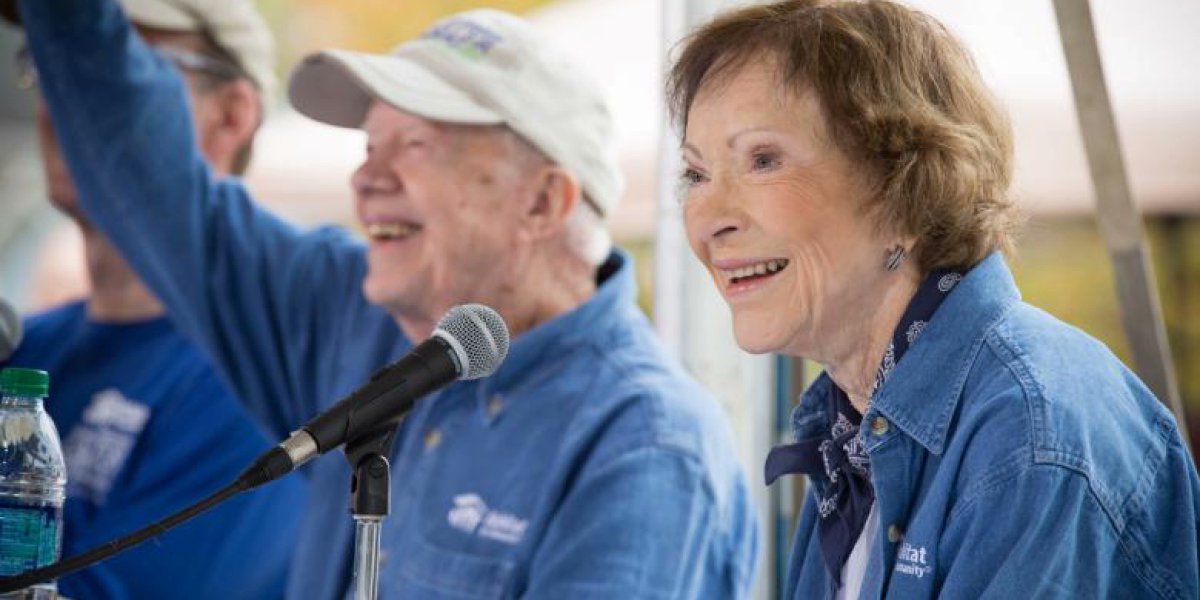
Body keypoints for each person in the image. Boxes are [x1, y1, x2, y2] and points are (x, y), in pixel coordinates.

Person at [14, 0, 762, 597]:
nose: (366, 179)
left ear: (542, 202)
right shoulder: (356, 311)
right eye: (369, 148)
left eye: (416, 147)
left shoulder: (644, 446)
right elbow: (156, 185)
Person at [668, 0, 1200, 598]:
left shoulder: (1030, 433)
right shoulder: (852, 432)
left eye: (764, 160)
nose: (707, 218)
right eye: (696, 174)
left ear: (904, 190)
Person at [0, 0, 306, 598]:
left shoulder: (261, 380)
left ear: (231, 116)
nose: (68, 90)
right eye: (49, 62)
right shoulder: (26, 345)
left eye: (121, 65)